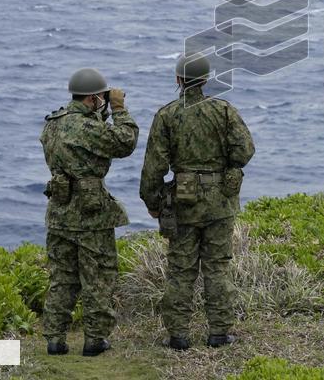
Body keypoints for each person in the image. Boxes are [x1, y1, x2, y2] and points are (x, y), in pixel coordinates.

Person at [140, 54, 255, 349]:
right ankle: (219, 333)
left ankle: (178, 335)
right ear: (205, 80)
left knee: (181, 270)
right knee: (217, 267)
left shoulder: (166, 115)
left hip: (183, 202)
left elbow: (154, 167)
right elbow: (245, 149)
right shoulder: (223, 110)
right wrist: (228, 168)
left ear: (178, 79)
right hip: (220, 203)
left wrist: (152, 202)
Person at [40, 67, 138, 357]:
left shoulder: (53, 123)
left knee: (62, 277)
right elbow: (125, 142)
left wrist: (101, 112)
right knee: (98, 276)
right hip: (90, 214)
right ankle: (94, 339)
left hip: (59, 211)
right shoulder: (87, 128)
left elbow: (84, 140)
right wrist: (118, 108)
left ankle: (55, 339)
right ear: (93, 98)